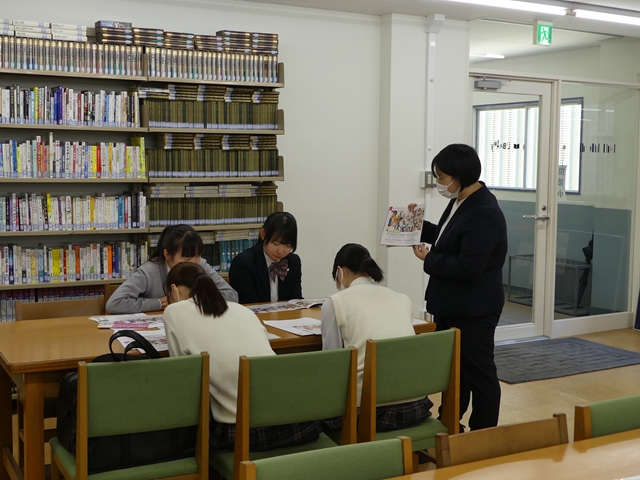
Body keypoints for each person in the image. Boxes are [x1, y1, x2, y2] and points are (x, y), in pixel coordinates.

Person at [163, 261, 321, 451]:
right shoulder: (241, 309)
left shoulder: (173, 311)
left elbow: (183, 381)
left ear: (173, 290)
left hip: (241, 430)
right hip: (298, 421)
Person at [410, 143, 508, 431]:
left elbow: (468, 266)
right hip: (451, 305)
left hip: (474, 309)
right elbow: (446, 236)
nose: (439, 183)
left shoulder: (484, 211)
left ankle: (483, 433)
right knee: (454, 371)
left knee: (479, 374)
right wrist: (416, 224)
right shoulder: (461, 200)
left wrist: (429, 259)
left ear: (460, 177)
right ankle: (451, 422)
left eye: (442, 177)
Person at [321, 243, 433, 431]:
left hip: (368, 412)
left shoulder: (336, 302)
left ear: (340, 272)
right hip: (416, 406)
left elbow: (331, 364)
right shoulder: (401, 298)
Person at [106, 224, 238, 313]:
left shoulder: (201, 265)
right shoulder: (150, 271)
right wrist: (158, 303)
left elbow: (232, 296)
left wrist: (192, 301)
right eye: (187, 258)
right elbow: (114, 303)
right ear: (167, 254)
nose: (194, 263)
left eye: (198, 256)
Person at [229, 211, 302, 304]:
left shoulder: (293, 262)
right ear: (263, 234)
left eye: (287, 245)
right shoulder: (243, 263)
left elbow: (296, 300)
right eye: (276, 243)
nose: (280, 251)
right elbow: (249, 304)